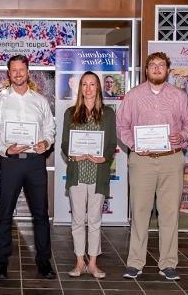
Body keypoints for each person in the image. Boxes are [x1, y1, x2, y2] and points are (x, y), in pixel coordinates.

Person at [115, 52, 188, 280]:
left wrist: (182, 136)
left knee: (169, 213)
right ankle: (135, 263)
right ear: (146, 70)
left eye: (162, 65)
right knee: (140, 211)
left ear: (168, 70)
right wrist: (134, 145)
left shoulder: (179, 96)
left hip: (171, 159)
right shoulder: (133, 96)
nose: (157, 68)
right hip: (142, 160)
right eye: (153, 65)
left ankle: (168, 263)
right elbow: (122, 125)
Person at [0, 54, 57, 279]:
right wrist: (5, 149)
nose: (18, 74)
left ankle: (44, 262)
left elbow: (49, 129)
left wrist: (46, 142)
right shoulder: (0, 101)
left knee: (40, 215)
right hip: (11, 163)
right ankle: (1, 263)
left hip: (36, 162)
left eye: (21, 70)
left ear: (28, 72)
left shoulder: (40, 101)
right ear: (9, 74)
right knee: (4, 213)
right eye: (13, 70)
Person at [60, 71, 117, 279]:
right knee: (77, 220)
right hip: (77, 172)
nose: (88, 88)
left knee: (94, 220)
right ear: (80, 88)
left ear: (98, 88)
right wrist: (71, 152)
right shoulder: (70, 113)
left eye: (92, 84)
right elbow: (65, 144)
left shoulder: (109, 113)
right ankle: (79, 261)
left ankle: (92, 263)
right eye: (84, 84)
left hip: (97, 174)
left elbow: (111, 143)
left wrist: (104, 157)